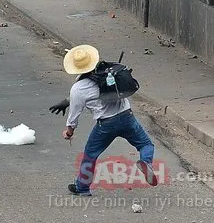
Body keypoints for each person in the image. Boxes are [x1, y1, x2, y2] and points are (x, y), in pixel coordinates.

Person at [49, 45, 158, 196]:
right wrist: (67, 101)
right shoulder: (110, 72)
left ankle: (82, 187)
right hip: (127, 117)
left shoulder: (78, 88)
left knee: (90, 155)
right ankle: (146, 162)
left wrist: (69, 132)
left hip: (105, 125)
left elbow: (74, 117)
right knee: (145, 144)